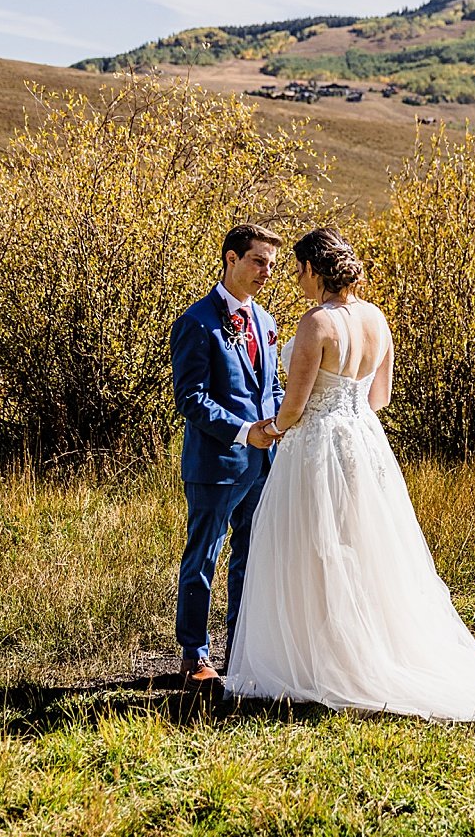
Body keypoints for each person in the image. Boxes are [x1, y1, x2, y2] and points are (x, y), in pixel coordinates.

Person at [226, 227, 475, 721]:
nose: (295, 279)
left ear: (315, 270)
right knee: (362, 548)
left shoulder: (317, 323)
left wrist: (268, 429)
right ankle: (365, 646)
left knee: (313, 550)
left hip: (317, 448)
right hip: (363, 443)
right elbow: (378, 397)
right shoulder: (376, 319)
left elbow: (294, 408)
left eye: (298, 269)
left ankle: (324, 661)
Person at [169, 223, 285, 690]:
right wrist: (243, 432)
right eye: (258, 261)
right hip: (216, 464)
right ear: (231, 258)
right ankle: (194, 655)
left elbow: (271, 386)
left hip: (262, 464)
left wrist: (279, 425)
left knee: (250, 558)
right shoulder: (196, 322)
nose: (266, 273)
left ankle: (239, 647)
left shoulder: (266, 321)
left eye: (272, 265)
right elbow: (190, 398)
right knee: (203, 557)